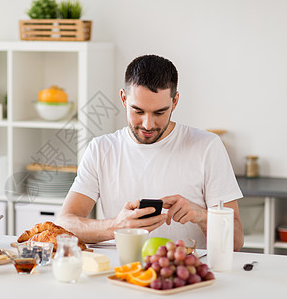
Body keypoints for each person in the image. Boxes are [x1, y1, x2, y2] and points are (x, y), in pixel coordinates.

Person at [56, 55, 244, 250]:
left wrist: (202, 217)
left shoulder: (207, 146)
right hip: (120, 273)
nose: (147, 124)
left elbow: (236, 242)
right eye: (138, 111)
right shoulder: (101, 149)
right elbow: (65, 224)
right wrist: (116, 226)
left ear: (175, 101)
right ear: (123, 98)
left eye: (159, 113)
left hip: (187, 275)